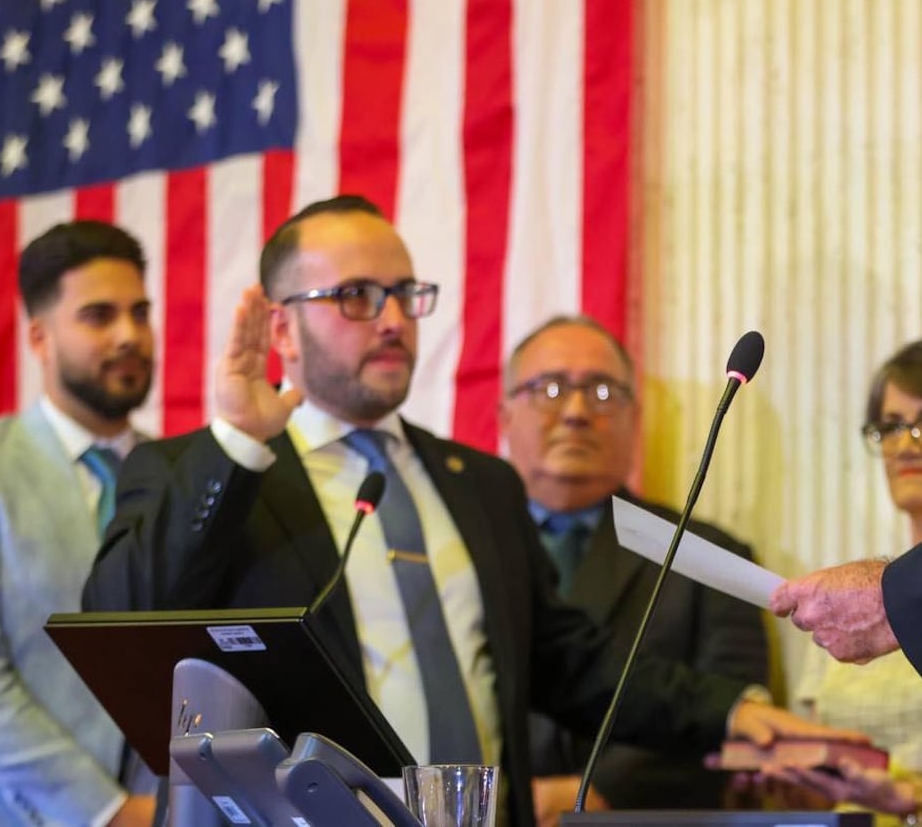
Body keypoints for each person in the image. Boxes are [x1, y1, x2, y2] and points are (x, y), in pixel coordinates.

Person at [82, 195, 863, 827]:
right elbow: (125, 624)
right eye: (356, 297)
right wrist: (241, 447)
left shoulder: (479, 483)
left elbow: (570, 663)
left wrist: (731, 713)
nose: (391, 319)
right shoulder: (196, 469)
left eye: (403, 295)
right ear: (281, 325)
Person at [498, 315, 771, 822]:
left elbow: (734, 709)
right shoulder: (468, 550)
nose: (577, 411)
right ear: (504, 415)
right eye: (550, 388)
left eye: (603, 392)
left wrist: (600, 793)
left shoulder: (706, 555)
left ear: (634, 418)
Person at [0, 221, 157, 826]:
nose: (129, 336)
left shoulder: (180, 474)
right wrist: (107, 810)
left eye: (140, 312)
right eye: (99, 315)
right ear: (39, 336)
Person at [762, 340, 922, 823]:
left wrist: (910, 798)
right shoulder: (851, 600)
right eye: (891, 425)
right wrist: (798, 782)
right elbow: (825, 777)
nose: (904, 444)